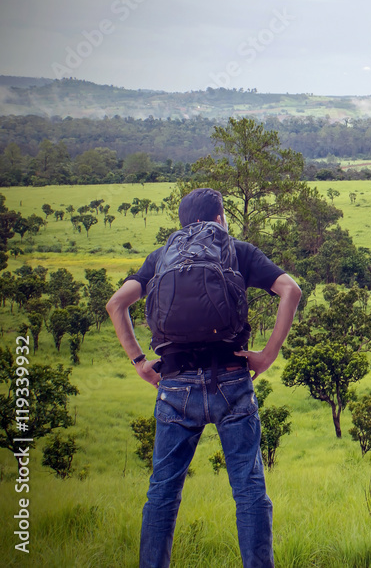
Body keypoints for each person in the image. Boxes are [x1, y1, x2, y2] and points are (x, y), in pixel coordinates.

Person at [106, 187, 302, 568]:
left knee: (162, 493)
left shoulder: (161, 257)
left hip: (174, 384)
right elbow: (290, 290)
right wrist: (266, 355)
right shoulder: (237, 250)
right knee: (249, 490)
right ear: (219, 218)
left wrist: (140, 363)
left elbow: (117, 304)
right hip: (231, 378)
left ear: (182, 223)